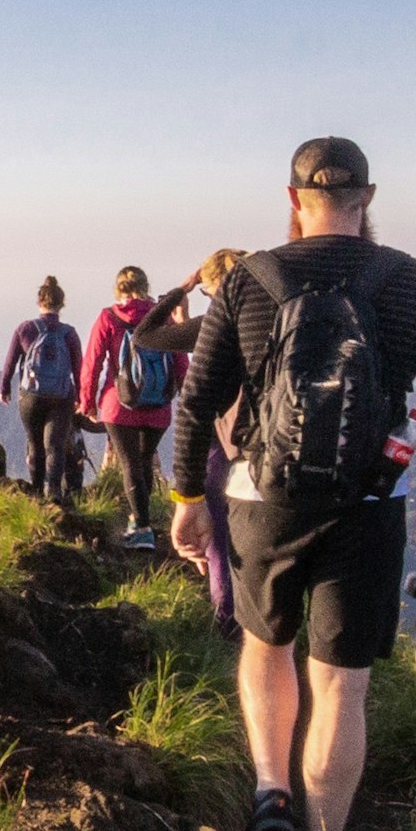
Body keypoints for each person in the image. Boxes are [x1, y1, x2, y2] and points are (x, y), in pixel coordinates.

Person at [165, 141, 416, 831]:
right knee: (342, 682)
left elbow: (198, 400)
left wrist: (184, 499)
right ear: (367, 197)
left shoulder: (250, 280)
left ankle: (271, 787)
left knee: (266, 648)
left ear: (292, 198)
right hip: (368, 509)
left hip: (261, 503)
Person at [135, 246, 249, 626]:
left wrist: (180, 290)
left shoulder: (210, 327)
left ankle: (227, 619)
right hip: (265, 445)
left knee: (216, 533)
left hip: (219, 443)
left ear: (212, 287)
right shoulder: (266, 321)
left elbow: (145, 334)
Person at [78, 266, 178, 550]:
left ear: (118, 289)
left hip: (119, 405)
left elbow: (92, 363)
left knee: (130, 464)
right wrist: (186, 395)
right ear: (145, 286)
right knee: (145, 460)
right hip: (159, 404)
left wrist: (87, 402)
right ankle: (140, 520)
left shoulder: (108, 317)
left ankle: (143, 529)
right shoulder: (162, 317)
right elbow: (180, 360)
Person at [0, 278, 82, 502]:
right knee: (55, 445)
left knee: (35, 443)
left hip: (31, 396)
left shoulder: (25, 329)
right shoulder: (69, 334)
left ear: (39, 302)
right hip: (62, 396)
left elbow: (10, 362)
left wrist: (4, 387)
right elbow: (78, 368)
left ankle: (36, 493)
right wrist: (82, 396)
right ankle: (53, 492)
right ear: (61, 304)